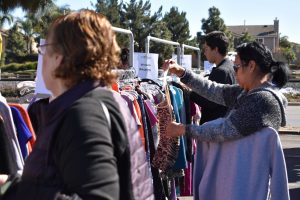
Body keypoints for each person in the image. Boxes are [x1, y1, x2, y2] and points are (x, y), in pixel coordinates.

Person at [0, 10, 154, 200]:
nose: (42, 58)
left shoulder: (85, 113)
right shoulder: (101, 101)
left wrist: (10, 187)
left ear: (60, 57)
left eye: (44, 49)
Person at [162, 41, 290, 199]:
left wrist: (183, 129)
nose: (235, 72)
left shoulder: (262, 100)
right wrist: (183, 74)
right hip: (238, 181)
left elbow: (224, 130)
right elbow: (215, 90)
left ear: (251, 66)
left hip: (243, 188)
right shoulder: (248, 92)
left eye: (237, 67)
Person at [191, 31, 236, 125]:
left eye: (206, 49)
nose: (204, 53)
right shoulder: (230, 66)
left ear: (215, 49)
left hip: (215, 128)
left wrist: (189, 91)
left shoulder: (221, 71)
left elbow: (209, 101)